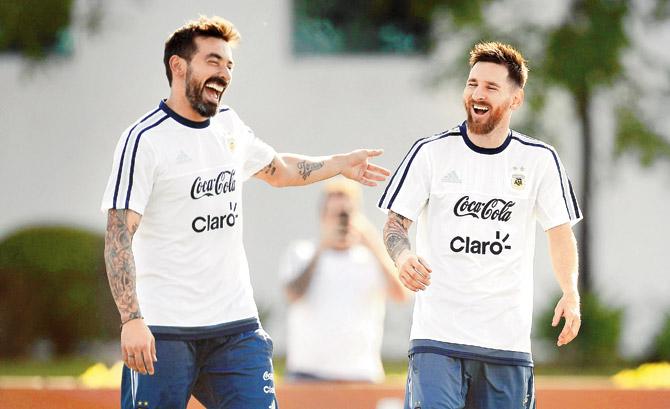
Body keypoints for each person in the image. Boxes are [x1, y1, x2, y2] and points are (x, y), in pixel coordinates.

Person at [101, 16, 389, 409]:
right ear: (178, 66)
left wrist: (339, 163)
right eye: (213, 61)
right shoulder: (144, 140)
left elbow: (281, 170)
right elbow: (119, 234)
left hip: (235, 328)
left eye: (229, 65)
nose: (224, 73)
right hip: (163, 331)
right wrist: (131, 318)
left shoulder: (229, 127)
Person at [378, 42, 582, 409]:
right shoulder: (431, 152)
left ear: (515, 99)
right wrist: (403, 255)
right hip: (437, 338)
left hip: (506, 342)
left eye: (491, 87)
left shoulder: (539, 160)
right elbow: (395, 223)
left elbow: (560, 232)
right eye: (472, 84)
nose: (477, 94)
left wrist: (570, 291)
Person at [280, 178, 407, 383]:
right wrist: (322, 248)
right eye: (336, 214)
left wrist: (373, 242)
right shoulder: (302, 253)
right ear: (323, 217)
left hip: (361, 375)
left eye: (347, 214)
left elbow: (401, 295)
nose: (343, 222)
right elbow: (293, 294)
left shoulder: (372, 260)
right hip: (307, 374)